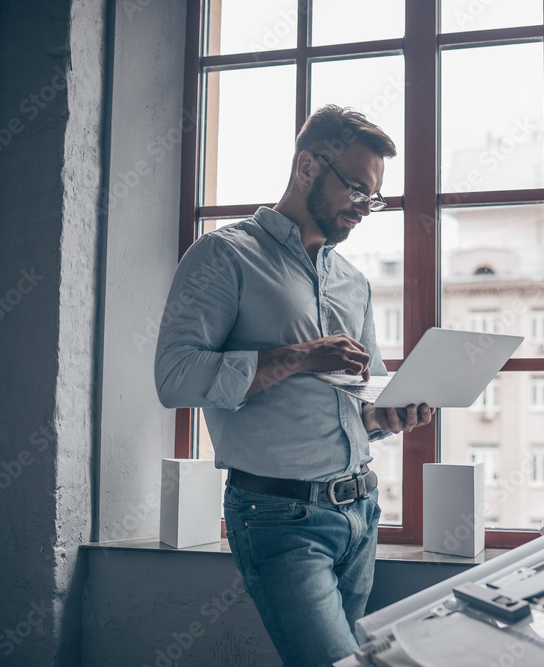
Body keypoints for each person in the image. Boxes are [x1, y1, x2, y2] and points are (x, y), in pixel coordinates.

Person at [154, 105, 433, 667]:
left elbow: (362, 398)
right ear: (308, 166)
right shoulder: (224, 254)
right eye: (356, 189)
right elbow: (175, 376)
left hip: (362, 511)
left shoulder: (353, 282)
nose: (364, 208)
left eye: (373, 198)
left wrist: (387, 416)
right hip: (277, 517)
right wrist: (299, 357)